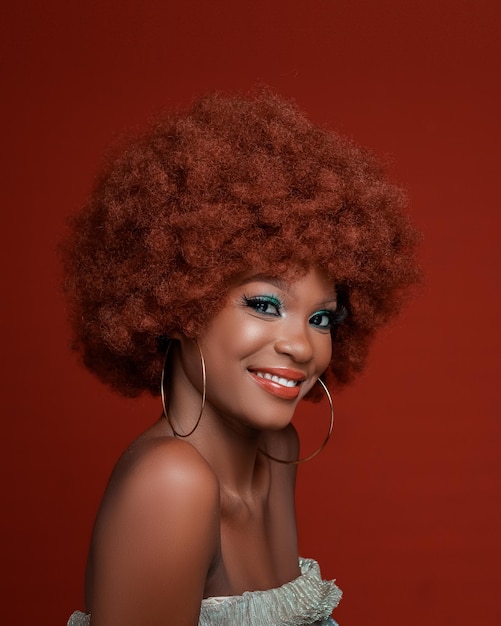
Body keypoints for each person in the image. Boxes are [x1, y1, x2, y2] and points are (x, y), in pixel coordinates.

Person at [62, 89, 420, 626]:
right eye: (264, 304)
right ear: (179, 298)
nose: (302, 347)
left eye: (321, 318)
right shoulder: (170, 483)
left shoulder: (276, 453)